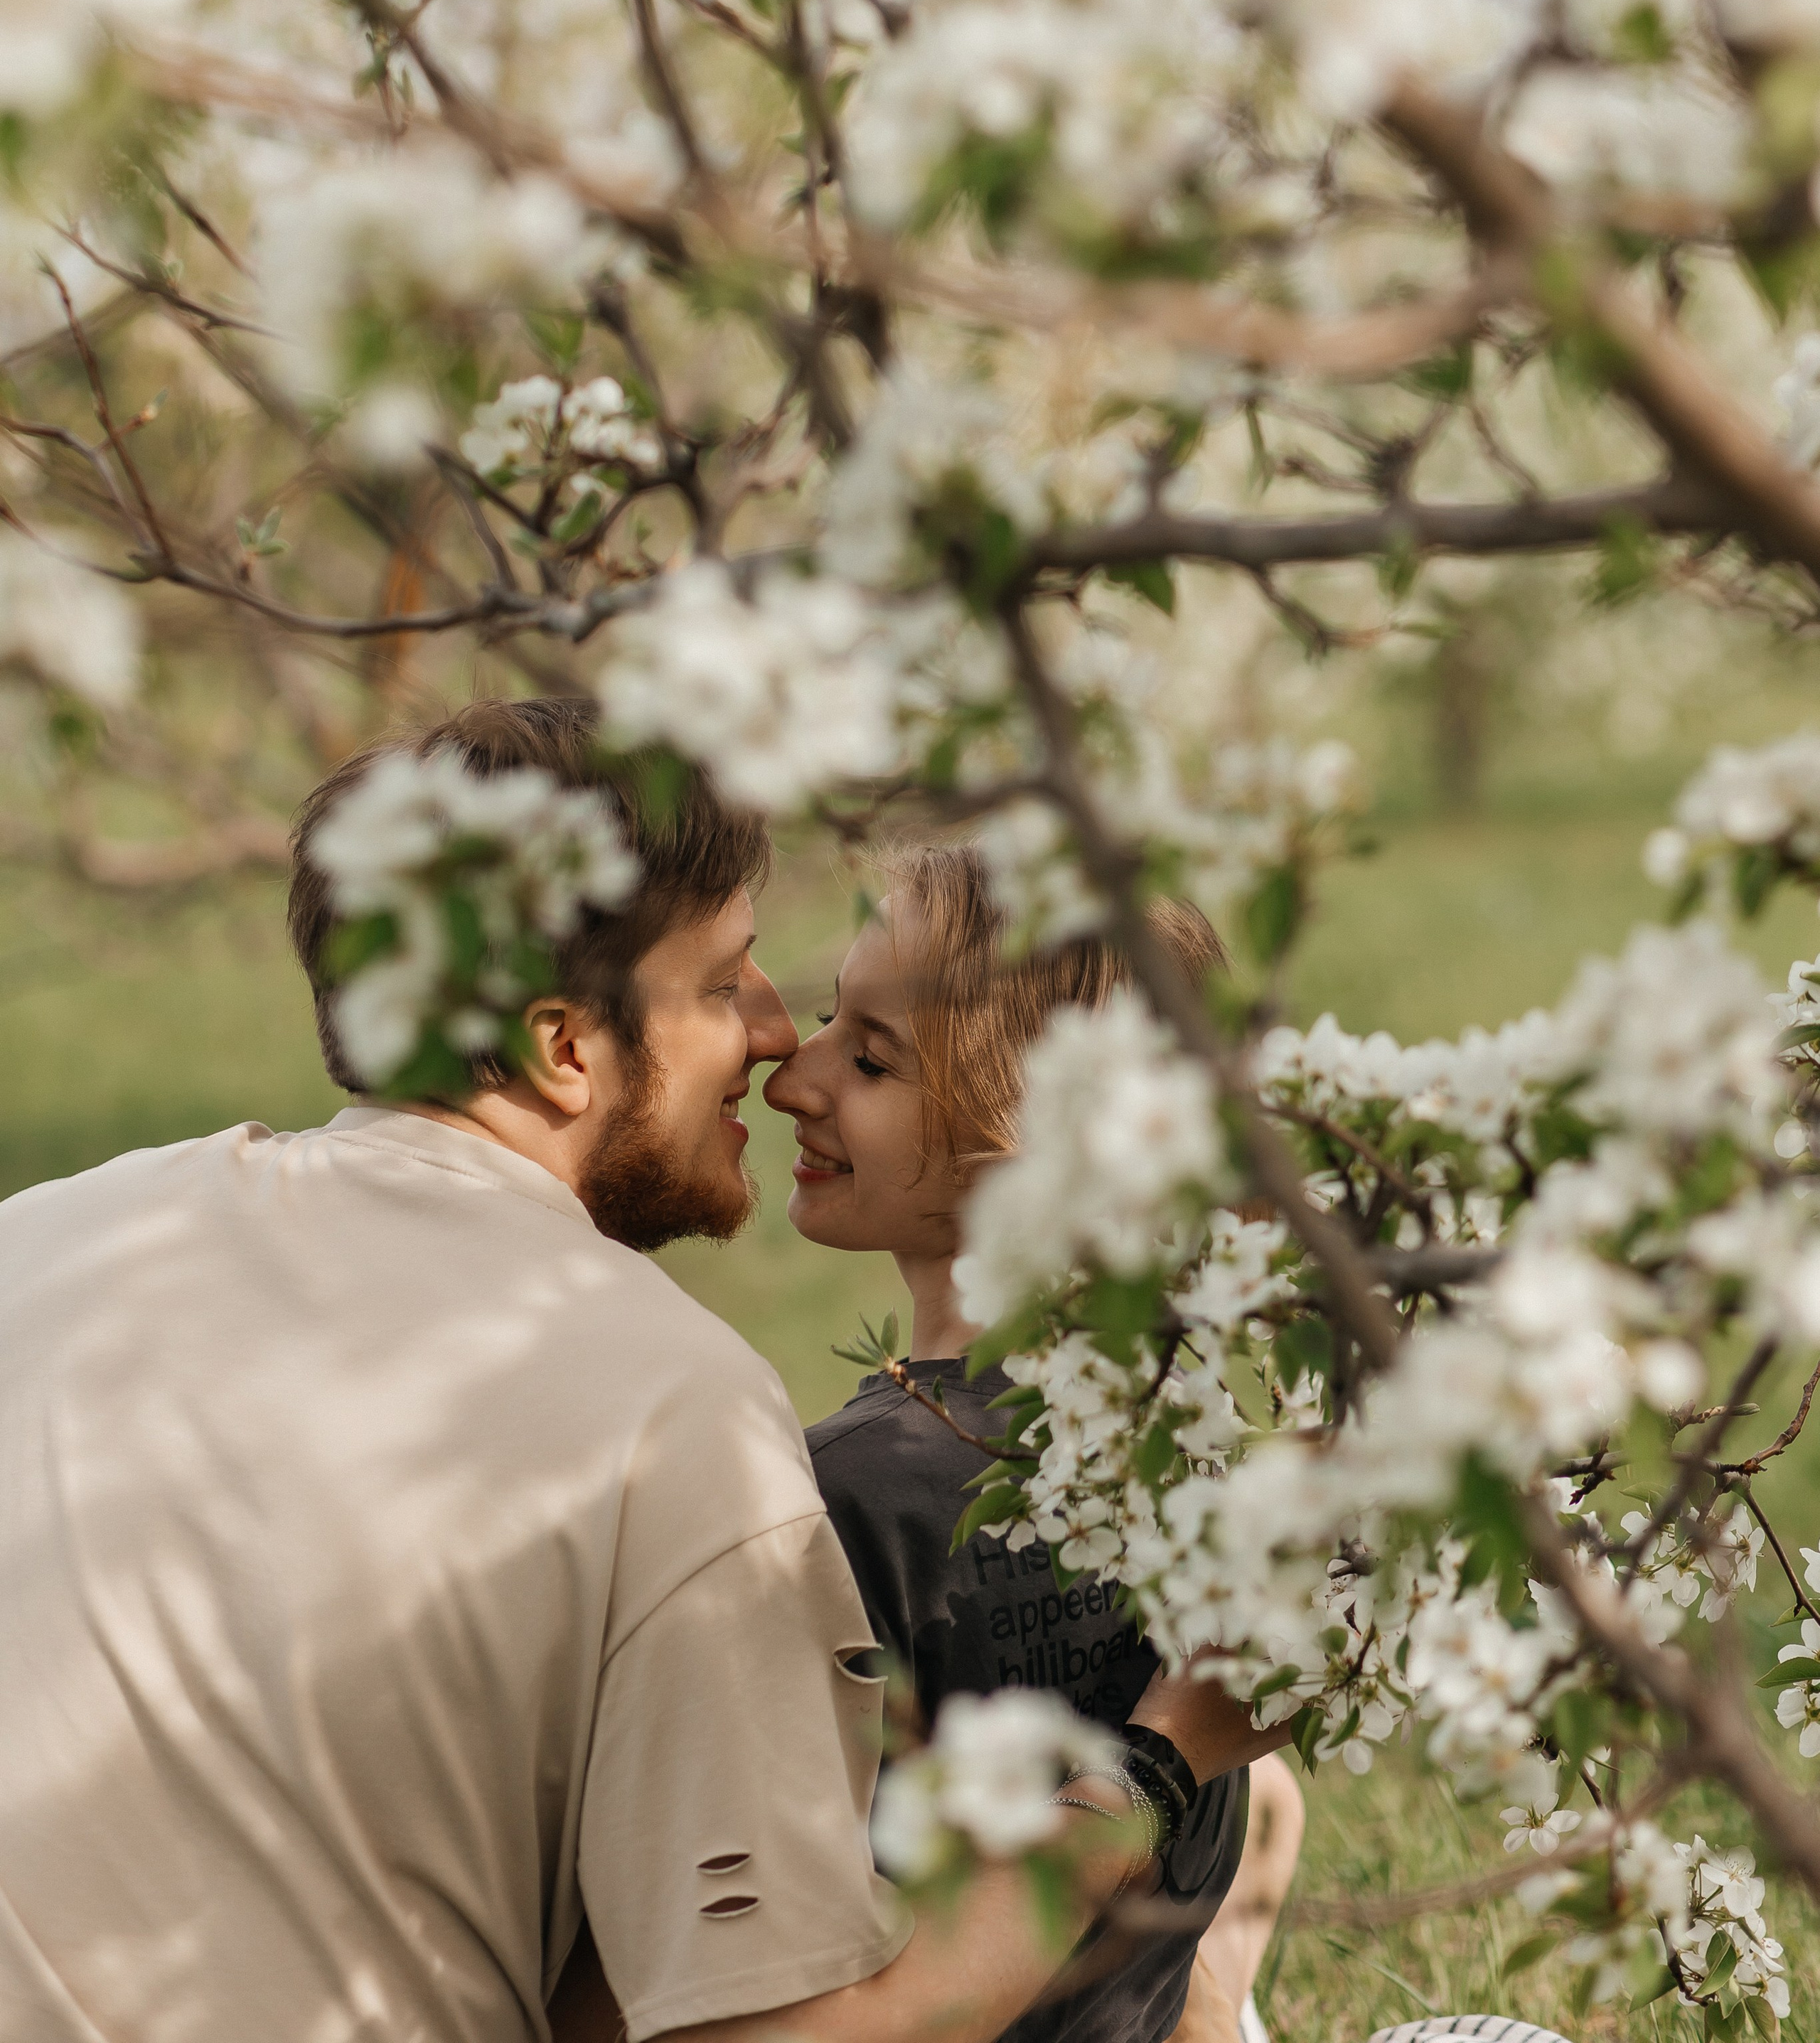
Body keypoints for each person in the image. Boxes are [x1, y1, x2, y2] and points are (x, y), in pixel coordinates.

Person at [0, 697, 1258, 2043]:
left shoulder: (43, 1238)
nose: (773, 1041)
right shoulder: (671, 1407)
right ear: (564, 1049)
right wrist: (1156, 1767)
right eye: (723, 986)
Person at [766, 842, 1302, 2043]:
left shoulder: (844, 1502)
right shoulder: (1185, 1444)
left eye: (870, 1059)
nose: (791, 1079)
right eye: (827, 1020)